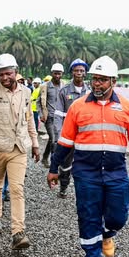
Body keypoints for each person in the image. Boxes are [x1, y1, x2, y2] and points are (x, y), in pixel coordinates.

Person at [46, 55, 129, 257]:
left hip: (115, 172)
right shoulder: (78, 107)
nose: (97, 84)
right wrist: (54, 168)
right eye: (95, 79)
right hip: (86, 173)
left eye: (103, 80)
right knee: (88, 217)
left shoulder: (126, 107)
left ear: (113, 81)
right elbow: (64, 142)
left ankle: (108, 233)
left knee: (118, 216)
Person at [0, 54, 40, 249]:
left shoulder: (26, 91)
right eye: (1, 75)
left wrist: (35, 142)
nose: (5, 78)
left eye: (8, 74)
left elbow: (29, 118)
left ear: (15, 71)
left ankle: (17, 232)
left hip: (19, 149)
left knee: (17, 189)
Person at [53, 58, 89, 198]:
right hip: (68, 135)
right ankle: (63, 186)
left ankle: (85, 190)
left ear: (85, 73)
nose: (79, 73)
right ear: (72, 72)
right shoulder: (64, 92)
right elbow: (58, 114)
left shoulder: (90, 92)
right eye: (76, 70)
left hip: (85, 135)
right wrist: (59, 135)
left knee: (86, 163)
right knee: (66, 163)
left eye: (81, 70)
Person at [38, 63, 65, 168]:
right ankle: (55, 163)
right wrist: (41, 114)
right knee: (54, 139)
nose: (57, 76)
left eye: (59, 74)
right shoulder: (45, 86)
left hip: (61, 117)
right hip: (49, 117)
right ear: (52, 73)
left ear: (62, 74)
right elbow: (38, 102)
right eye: (55, 73)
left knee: (54, 139)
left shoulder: (64, 86)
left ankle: (45, 157)